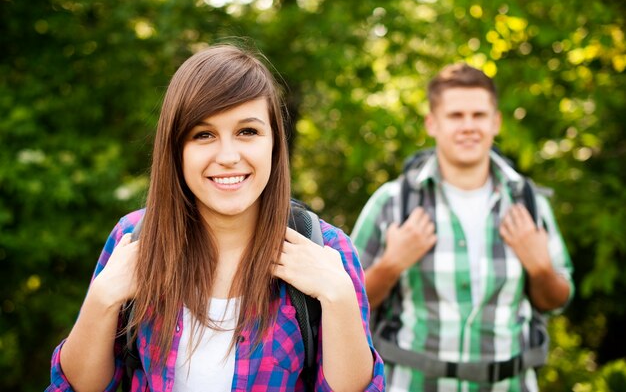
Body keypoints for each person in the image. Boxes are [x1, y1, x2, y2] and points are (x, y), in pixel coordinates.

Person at [48, 43, 385, 392]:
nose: (227, 156)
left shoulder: (327, 249)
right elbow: (76, 387)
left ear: (274, 143)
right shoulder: (133, 237)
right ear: (176, 149)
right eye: (204, 134)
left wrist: (339, 296)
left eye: (247, 132)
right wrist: (103, 297)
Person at [350, 63, 574, 392]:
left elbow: (557, 300)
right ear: (432, 123)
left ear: (495, 122)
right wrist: (391, 264)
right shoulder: (394, 202)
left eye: (479, 115)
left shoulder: (527, 202)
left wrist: (541, 268)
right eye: (456, 116)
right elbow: (347, 302)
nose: (468, 126)